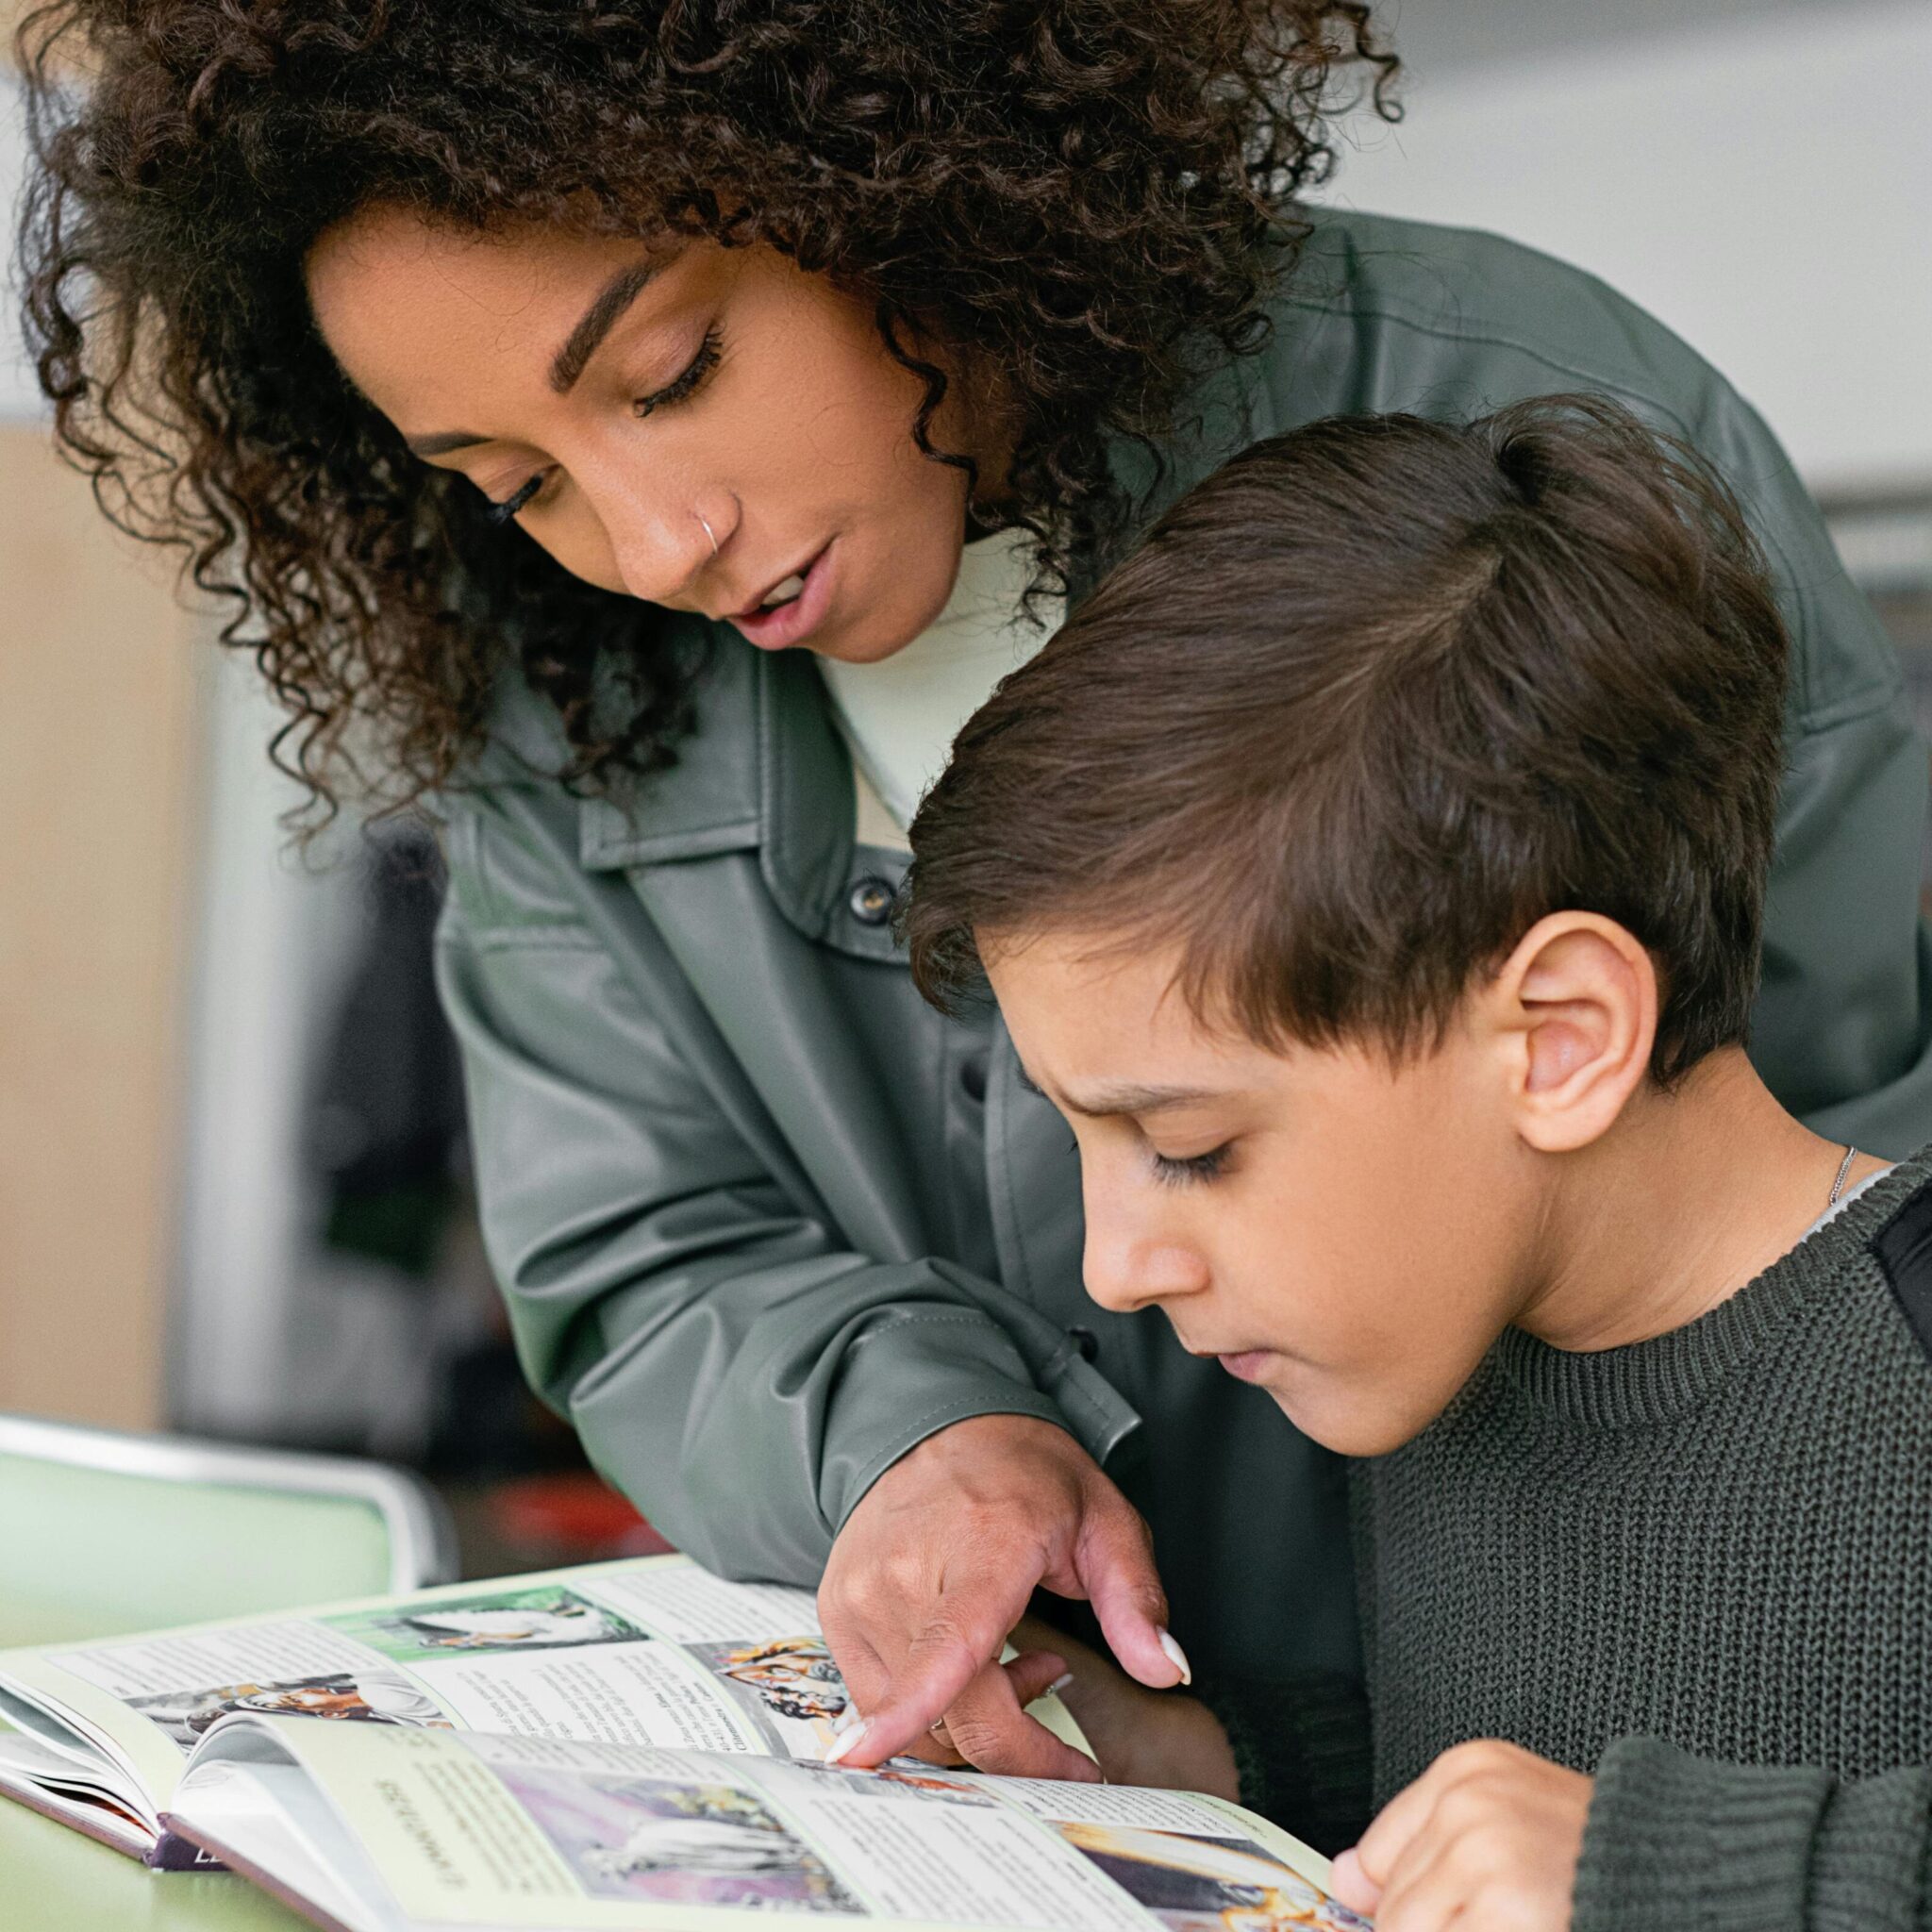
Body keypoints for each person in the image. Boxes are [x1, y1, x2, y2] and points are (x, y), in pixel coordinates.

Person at [18, 1, 1929, 1782]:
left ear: (878, 168)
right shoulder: (557, 684)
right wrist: (913, 1432)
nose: (658, 542)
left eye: (675, 370)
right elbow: (638, 1249)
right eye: (515, 482)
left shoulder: (1529, 427)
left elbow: (1793, 1214)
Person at [897, 395, 1932, 1929]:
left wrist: (1688, 1876)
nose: (1118, 1264)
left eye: (1189, 1146)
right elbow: (1489, 1787)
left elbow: (1614, 1835)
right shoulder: (1445, 1342)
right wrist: (1209, 1766)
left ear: (1559, 1041)